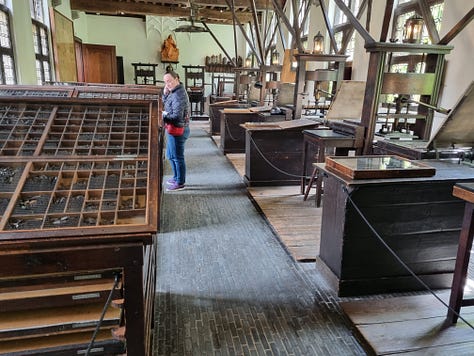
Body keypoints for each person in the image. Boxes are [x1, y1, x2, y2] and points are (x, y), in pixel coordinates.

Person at [162, 71, 190, 191]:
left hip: (178, 129)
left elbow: (177, 117)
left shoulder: (178, 94)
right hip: (173, 128)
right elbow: (167, 104)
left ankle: (180, 182)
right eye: (165, 82)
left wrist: (162, 116)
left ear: (177, 79)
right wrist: (165, 94)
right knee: (171, 155)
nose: (167, 84)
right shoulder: (174, 91)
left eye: (169, 81)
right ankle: (176, 177)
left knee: (177, 157)